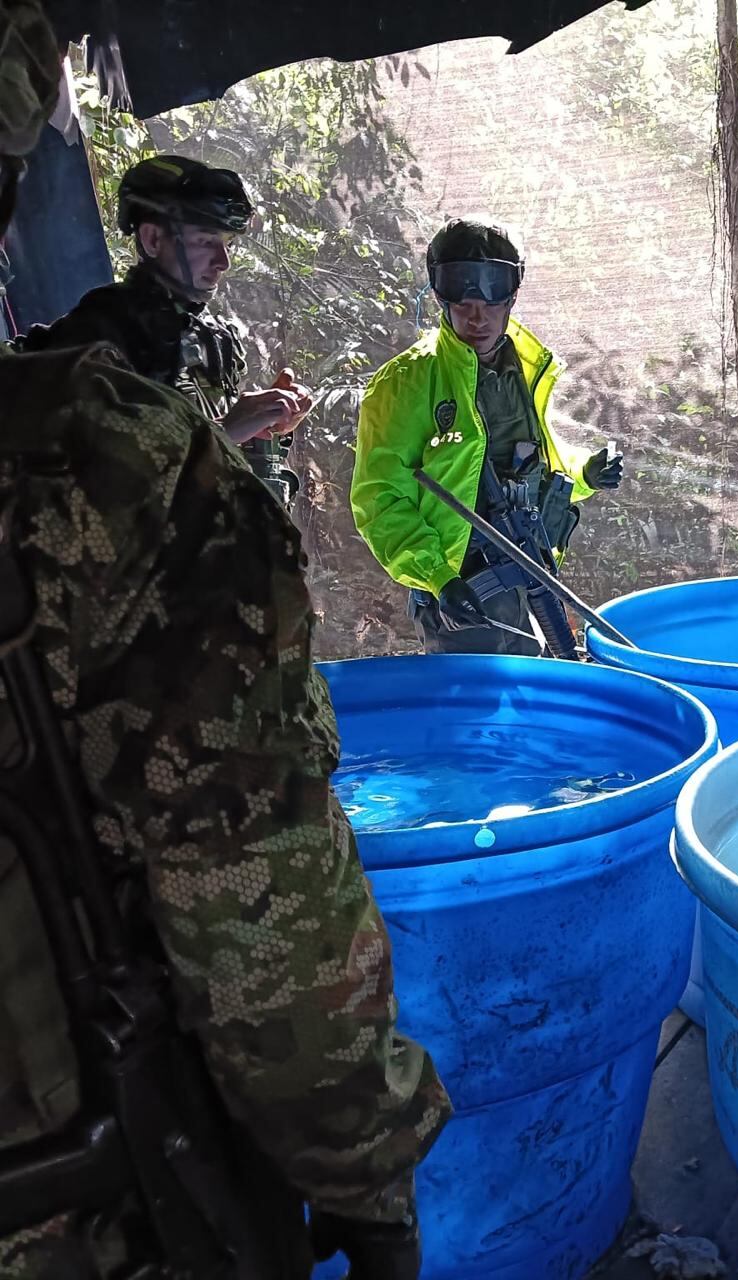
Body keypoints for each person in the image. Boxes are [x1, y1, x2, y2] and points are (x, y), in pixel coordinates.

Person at [0, 2, 449, 1275]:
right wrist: (362, 1175)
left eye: (223, 241)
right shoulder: (93, 381)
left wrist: (252, 427)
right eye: (194, 238)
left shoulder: (209, 344)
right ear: (143, 237)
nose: (212, 259)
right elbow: (245, 887)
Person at [351, 216, 623, 655]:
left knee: (546, 691)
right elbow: (380, 498)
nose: (476, 317)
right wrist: (439, 578)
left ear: (512, 297)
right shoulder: (406, 382)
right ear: (441, 297)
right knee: (481, 714)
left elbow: (529, 460)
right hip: (462, 591)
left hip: (529, 568)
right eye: (463, 303)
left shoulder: (522, 367)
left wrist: (585, 473)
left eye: (490, 303)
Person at [13, 152, 309, 506]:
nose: (223, 262)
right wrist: (225, 430)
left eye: (227, 244)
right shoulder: (97, 334)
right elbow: (96, 485)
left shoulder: (215, 338)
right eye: (205, 242)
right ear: (153, 240)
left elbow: (219, 465)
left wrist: (268, 426)